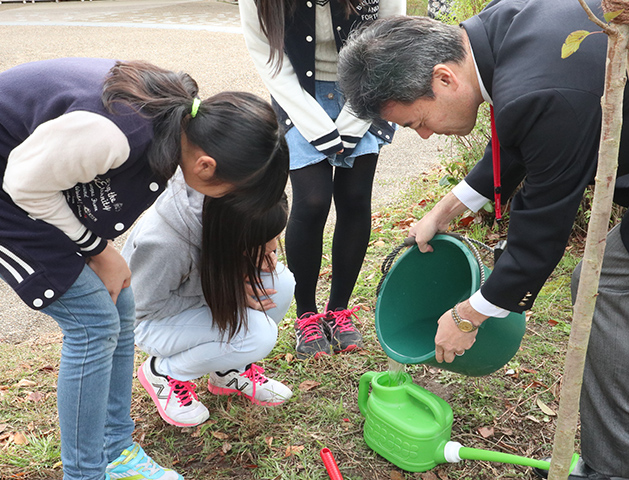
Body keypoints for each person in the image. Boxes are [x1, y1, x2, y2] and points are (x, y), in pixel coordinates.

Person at [337, 3, 629, 480]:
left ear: (443, 79)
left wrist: (469, 314)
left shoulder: (542, 91)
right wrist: (445, 209)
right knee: (604, 279)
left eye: (416, 120)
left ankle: (616, 469)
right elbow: (515, 135)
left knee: (608, 282)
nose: (422, 135)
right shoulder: (497, 30)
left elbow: (540, 231)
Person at [0, 58, 288, 480]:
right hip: (12, 196)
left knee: (119, 302)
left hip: (32, 185)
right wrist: (97, 248)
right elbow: (23, 185)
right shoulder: (115, 133)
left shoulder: (181, 122)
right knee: (94, 324)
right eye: (233, 194)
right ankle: (85, 475)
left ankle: (115, 452)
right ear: (206, 166)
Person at [237, 0, 406, 360]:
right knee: (312, 201)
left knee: (355, 197)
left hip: (364, 87)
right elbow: (269, 60)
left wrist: (352, 120)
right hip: (296, 92)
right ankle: (306, 314)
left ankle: (339, 309)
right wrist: (318, 129)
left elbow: (391, 39)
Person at [122, 176, 294, 427]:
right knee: (257, 334)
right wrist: (224, 293)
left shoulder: (229, 211)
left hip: (199, 295)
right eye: (262, 242)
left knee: (280, 281)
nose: (273, 247)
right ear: (236, 234)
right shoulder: (166, 244)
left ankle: (229, 371)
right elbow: (139, 306)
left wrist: (256, 257)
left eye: (277, 236)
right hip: (152, 320)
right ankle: (165, 372)